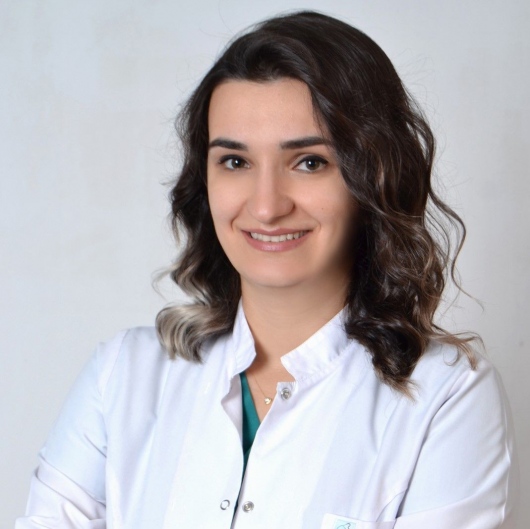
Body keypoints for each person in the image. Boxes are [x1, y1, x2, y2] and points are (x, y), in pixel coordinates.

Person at [16, 10, 518, 529]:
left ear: (374, 175)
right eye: (235, 162)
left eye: (309, 162)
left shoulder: (447, 397)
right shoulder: (122, 376)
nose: (266, 206)